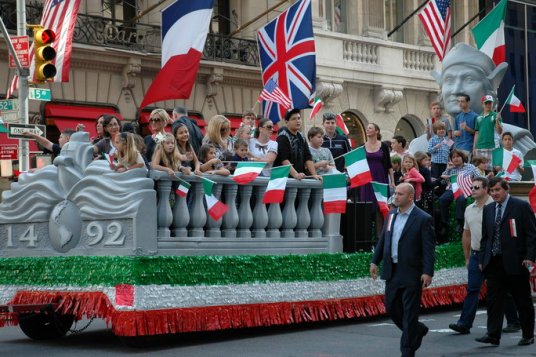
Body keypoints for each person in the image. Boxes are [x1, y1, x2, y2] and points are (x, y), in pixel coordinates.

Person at [370, 183, 435, 357]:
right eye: (395, 193)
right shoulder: (391, 215)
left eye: (400, 194)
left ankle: (407, 351)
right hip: (392, 269)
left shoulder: (423, 218)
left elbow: (428, 248)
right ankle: (417, 330)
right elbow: (384, 239)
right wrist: (375, 261)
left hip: (412, 271)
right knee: (391, 307)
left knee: (409, 312)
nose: (396, 197)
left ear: (410, 197)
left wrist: (427, 271)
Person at [449, 177, 520, 335]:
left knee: (504, 289)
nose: (472, 190)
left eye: (476, 187)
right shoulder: (469, 209)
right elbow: (466, 235)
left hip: (494, 255)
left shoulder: (496, 207)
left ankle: (514, 321)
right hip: (476, 254)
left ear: (486, 190)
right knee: (473, 289)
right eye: (472, 187)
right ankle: (464, 323)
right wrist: (467, 257)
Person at [476, 177, 536, 347]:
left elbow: (532, 235)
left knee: (522, 300)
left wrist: (530, 257)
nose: (494, 194)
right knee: (494, 300)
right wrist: (482, 258)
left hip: (516, 262)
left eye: (497, 190)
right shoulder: (488, 209)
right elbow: (485, 237)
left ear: (506, 189)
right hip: (494, 262)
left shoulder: (521, 206)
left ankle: (527, 334)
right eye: (492, 191)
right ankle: (493, 334)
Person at [359, 123, 394, 233]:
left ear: (376, 131)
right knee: (366, 206)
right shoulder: (362, 146)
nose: (367, 129)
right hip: (366, 181)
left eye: (370, 128)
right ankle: (366, 236)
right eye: (367, 128)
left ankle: (380, 236)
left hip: (381, 179)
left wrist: (392, 181)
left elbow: (389, 165)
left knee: (381, 206)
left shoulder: (383, 146)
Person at [274, 109, 321, 181]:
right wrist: (296, 174)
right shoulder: (282, 137)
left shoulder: (301, 136)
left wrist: (314, 174)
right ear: (287, 122)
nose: (297, 121)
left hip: (300, 178)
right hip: (284, 179)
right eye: (293, 119)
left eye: (299, 118)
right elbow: (284, 160)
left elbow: (308, 157)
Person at [474, 95, 502, 168]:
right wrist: (474, 147)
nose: (488, 105)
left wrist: (497, 121)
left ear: (492, 104)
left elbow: (500, 131)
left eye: (490, 103)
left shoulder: (496, 115)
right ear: (482, 104)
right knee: (480, 170)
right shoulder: (478, 117)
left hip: (492, 146)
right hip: (480, 147)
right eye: (486, 103)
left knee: (493, 169)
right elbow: (477, 133)